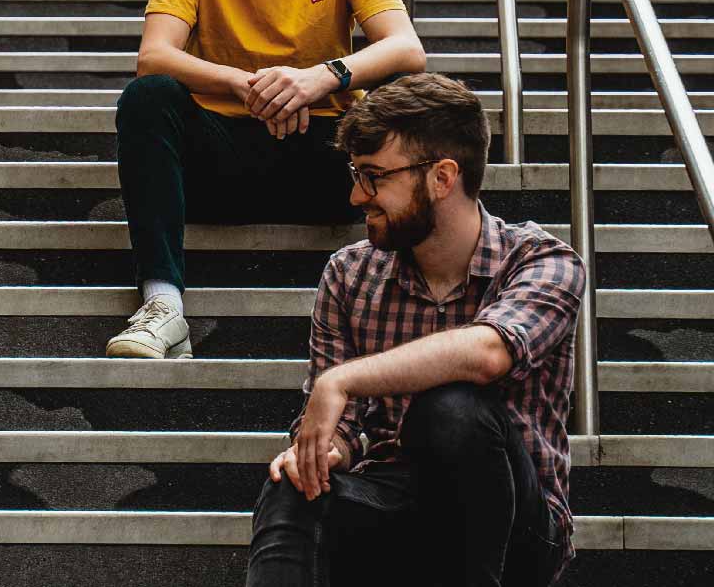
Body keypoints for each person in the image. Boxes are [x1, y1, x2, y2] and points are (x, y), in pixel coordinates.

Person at [108, 0, 427, 360]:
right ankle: (163, 307)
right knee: (148, 98)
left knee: (414, 100)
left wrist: (318, 79)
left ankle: (415, 299)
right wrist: (247, 85)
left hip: (327, 161)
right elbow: (154, 56)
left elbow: (406, 47)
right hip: (220, 164)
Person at [246, 73, 582, 587]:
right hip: (397, 502)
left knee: (451, 409)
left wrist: (343, 380)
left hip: (519, 526)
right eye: (356, 174)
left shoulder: (542, 261)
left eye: (374, 176)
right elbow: (341, 427)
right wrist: (327, 451)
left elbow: (488, 353)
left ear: (442, 178)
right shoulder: (349, 274)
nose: (356, 196)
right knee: (294, 487)